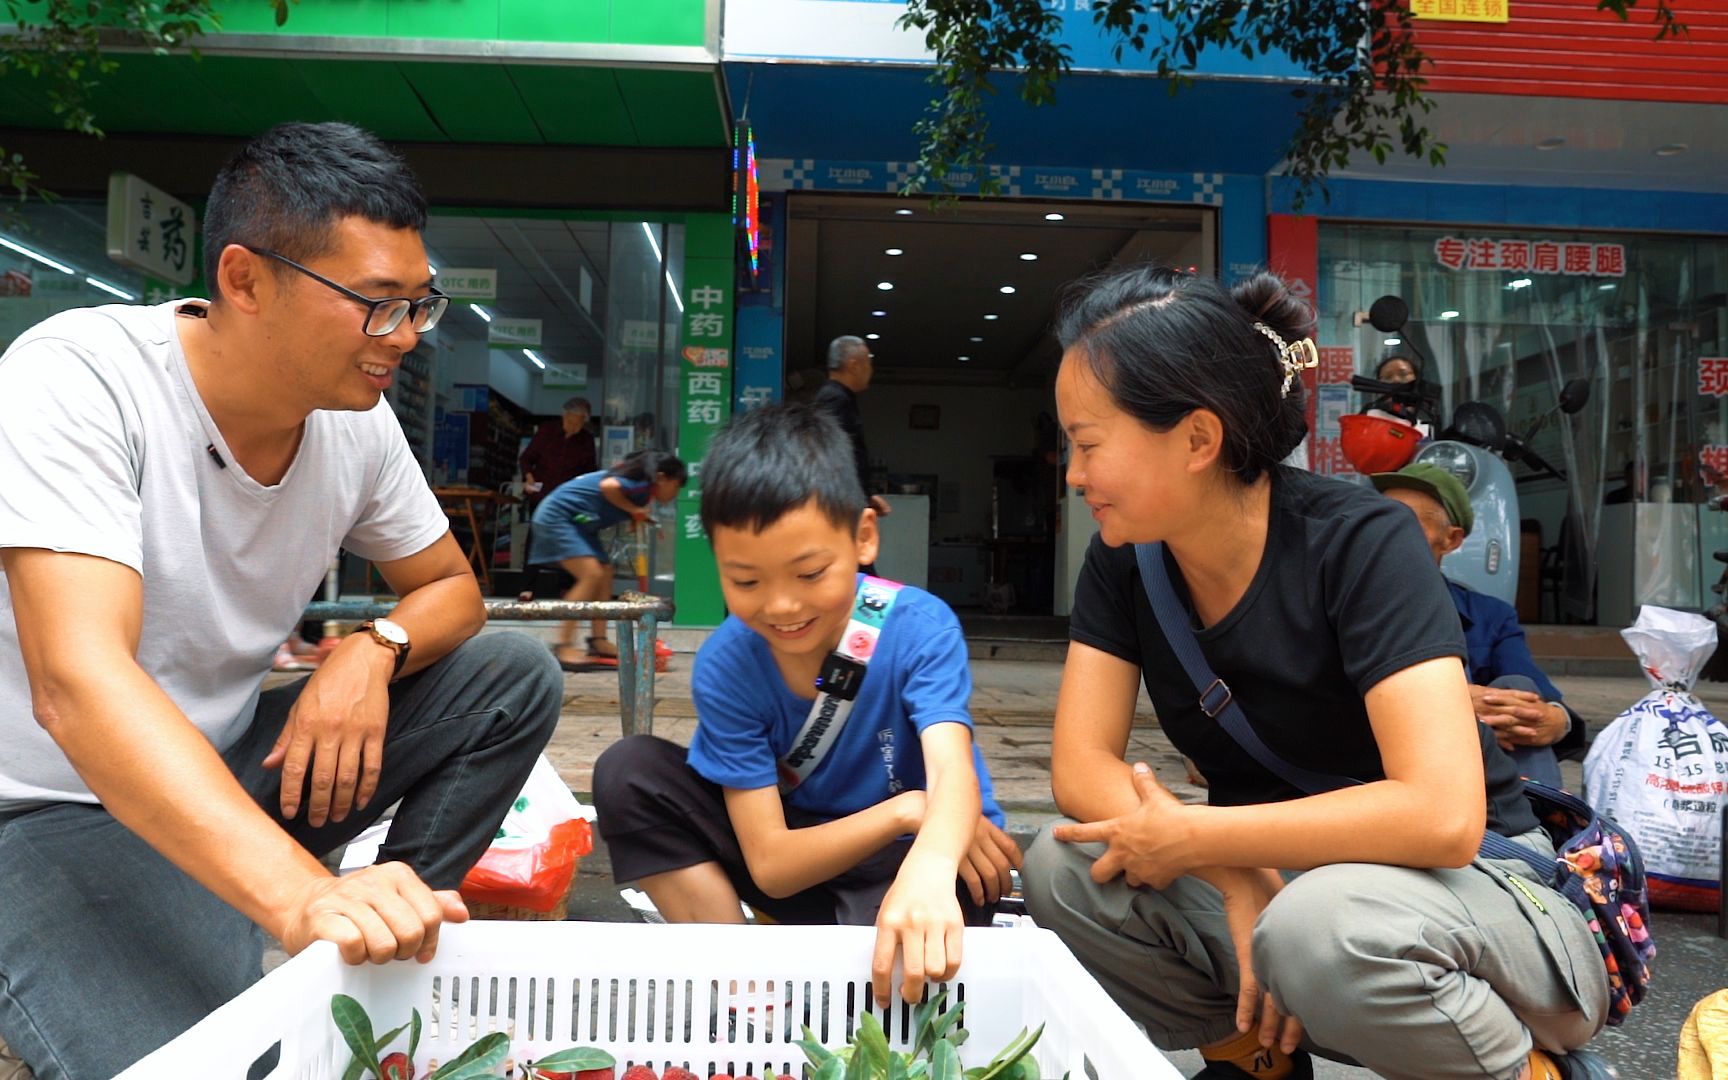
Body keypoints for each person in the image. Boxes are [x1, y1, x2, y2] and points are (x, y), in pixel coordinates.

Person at [0, 122, 563, 1080]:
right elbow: (77, 681)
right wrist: (299, 893)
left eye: (418, 303)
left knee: (510, 674)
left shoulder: (357, 423)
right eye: (377, 305)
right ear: (245, 279)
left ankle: (381, 942)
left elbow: (453, 592)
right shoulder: (81, 379)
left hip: (229, 766)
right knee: (217, 1066)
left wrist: (372, 649)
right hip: (44, 808)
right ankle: (318, 916)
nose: (409, 335)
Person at [1021, 266, 1611, 1080]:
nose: (1074, 475)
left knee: (1315, 924)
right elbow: (1081, 769)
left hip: (1481, 902)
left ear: (1198, 438)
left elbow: (1440, 814)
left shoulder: (1362, 543)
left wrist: (1202, 837)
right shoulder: (1125, 562)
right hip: (1301, 895)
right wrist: (1231, 871)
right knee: (1068, 865)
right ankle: (1254, 1059)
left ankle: (1526, 1070)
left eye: (1088, 445)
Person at [591, 403, 1020, 1007]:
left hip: (925, 864)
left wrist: (931, 847)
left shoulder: (920, 627)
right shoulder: (727, 665)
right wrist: (907, 808)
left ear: (864, 537)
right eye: (746, 582)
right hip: (810, 858)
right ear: (716, 561)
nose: (783, 606)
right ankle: (747, 992)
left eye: (810, 573)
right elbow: (770, 864)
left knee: (888, 1001)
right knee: (628, 771)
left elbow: (951, 765)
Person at [1372, 463, 1584, 788]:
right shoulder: (1341, 603)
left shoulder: (1490, 615)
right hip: (1373, 757)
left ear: (1452, 539)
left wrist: (1558, 720)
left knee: (1517, 689)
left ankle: (1534, 828)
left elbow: (1532, 693)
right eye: (1376, 520)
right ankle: (1531, 829)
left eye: (1404, 522)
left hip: (1469, 767)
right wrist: (1447, 703)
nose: (1384, 532)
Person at [528, 449, 685, 666]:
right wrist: (633, 509)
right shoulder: (639, 484)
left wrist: (635, 513)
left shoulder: (641, 488)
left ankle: (598, 641)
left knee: (605, 572)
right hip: (558, 518)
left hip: (579, 524)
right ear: (661, 478)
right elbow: (608, 486)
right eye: (676, 486)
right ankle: (563, 645)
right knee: (591, 574)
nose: (676, 493)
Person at [813, 334, 891, 526]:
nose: (871, 370)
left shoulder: (839, 397)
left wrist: (865, 496)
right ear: (854, 364)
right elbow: (831, 457)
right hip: (839, 507)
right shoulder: (834, 399)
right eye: (869, 362)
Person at [520, 395, 598, 504]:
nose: (572, 426)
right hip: (540, 493)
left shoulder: (586, 440)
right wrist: (528, 476)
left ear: (584, 422)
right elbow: (526, 458)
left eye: (577, 424)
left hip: (567, 497)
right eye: (570, 422)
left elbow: (590, 470)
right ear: (564, 416)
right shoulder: (547, 430)